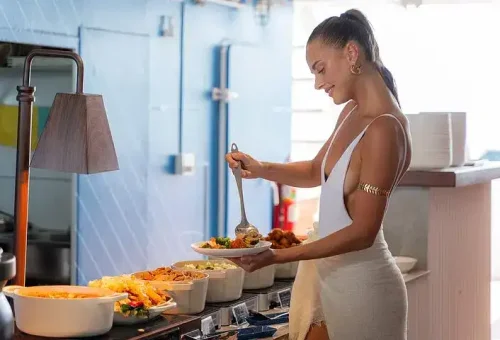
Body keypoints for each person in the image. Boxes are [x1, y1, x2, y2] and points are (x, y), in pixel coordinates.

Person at [225, 8, 411, 340]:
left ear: (352, 53)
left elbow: (363, 232)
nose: (317, 84)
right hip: (331, 281)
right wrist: (260, 167)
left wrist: (277, 257)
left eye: (320, 70)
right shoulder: (352, 112)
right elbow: (315, 171)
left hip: (365, 289)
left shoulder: (386, 128)